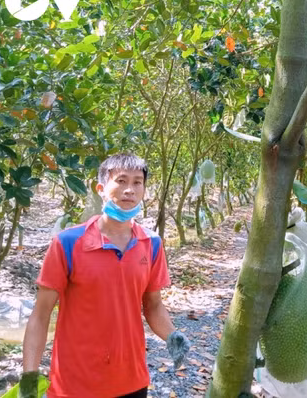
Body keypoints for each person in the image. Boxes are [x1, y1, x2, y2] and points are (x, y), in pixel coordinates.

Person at [19, 153, 190, 398]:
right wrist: (29, 376)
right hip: (74, 384)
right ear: (101, 188)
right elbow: (40, 315)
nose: (129, 190)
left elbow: (153, 306)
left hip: (131, 381)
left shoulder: (151, 244)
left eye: (137, 182)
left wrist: (173, 336)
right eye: (121, 181)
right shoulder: (68, 243)